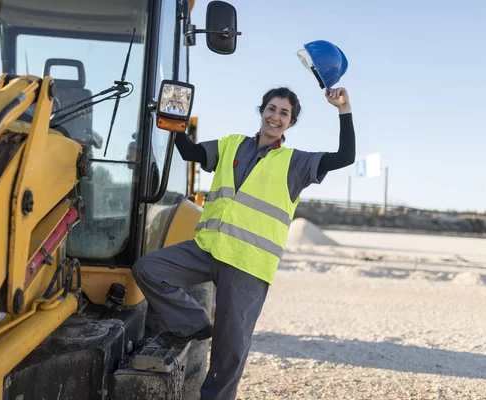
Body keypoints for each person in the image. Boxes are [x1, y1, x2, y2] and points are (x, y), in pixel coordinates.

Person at [132, 86, 355, 399]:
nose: (275, 116)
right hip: (208, 249)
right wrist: (173, 122)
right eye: (271, 109)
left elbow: (346, 157)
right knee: (148, 269)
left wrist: (343, 109)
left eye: (284, 113)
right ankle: (193, 323)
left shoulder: (296, 163)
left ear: (290, 123)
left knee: (230, 348)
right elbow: (191, 153)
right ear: (261, 110)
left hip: (249, 263)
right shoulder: (232, 144)